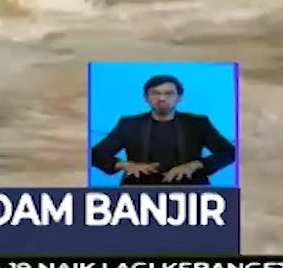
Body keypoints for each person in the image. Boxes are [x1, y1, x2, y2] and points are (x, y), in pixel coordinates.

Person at [90, 74, 236, 186]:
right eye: (155, 93)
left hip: (190, 189)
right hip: (140, 190)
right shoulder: (129, 124)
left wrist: (194, 165)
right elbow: (95, 154)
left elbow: (229, 152)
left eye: (169, 93)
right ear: (146, 98)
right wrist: (125, 165)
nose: (161, 98)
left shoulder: (198, 123)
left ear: (179, 98)